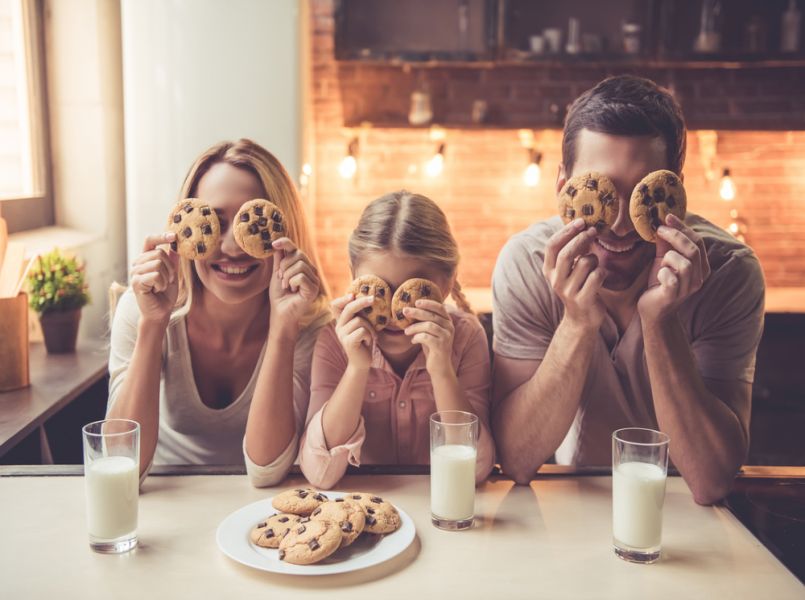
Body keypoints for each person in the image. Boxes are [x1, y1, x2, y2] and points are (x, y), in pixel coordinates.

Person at [491, 75, 765, 505]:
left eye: (642, 192)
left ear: (675, 190)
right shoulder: (526, 264)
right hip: (570, 503)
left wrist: (660, 320)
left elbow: (712, 479)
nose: (619, 224)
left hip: (685, 512)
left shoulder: (729, 274)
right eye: (603, 192)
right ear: (563, 187)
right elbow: (517, 459)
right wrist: (577, 323)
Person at [108, 139, 331, 486]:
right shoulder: (142, 307)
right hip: (163, 501)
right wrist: (153, 324)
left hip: (262, 511)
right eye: (215, 222)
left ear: (284, 231)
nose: (230, 247)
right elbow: (119, 465)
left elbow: (267, 470)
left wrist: (283, 327)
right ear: (184, 231)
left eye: (249, 223)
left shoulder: (311, 326)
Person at [299, 191, 495, 489]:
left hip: (440, 508)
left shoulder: (465, 337)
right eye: (380, 291)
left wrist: (441, 369)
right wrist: (356, 369)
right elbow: (319, 474)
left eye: (408, 292)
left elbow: (476, 472)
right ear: (354, 276)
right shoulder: (335, 340)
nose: (392, 314)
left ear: (447, 282)